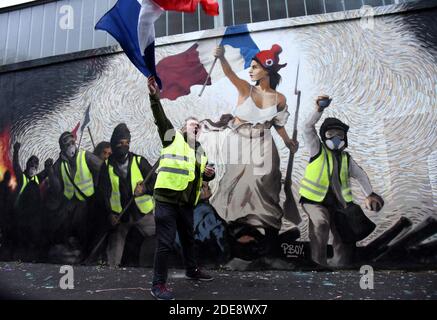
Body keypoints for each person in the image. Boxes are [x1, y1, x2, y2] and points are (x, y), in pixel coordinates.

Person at [199, 44, 298, 258]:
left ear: (267, 70)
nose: (251, 70)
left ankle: (265, 228)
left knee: (263, 182)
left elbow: (278, 123)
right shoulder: (246, 88)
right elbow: (229, 73)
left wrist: (288, 141)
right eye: (251, 66)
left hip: (263, 140)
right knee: (237, 183)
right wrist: (222, 57)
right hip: (239, 141)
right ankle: (235, 230)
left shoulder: (280, 98)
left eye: (255, 67)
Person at [147, 76, 216, 300]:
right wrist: (154, 96)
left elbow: (200, 177)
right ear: (182, 128)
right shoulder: (171, 137)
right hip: (167, 200)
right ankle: (158, 285)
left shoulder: (200, 152)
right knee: (165, 243)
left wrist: (209, 174)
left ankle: (192, 270)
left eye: (199, 126)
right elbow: (160, 117)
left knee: (188, 239)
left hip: (186, 204)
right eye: (192, 124)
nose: (196, 127)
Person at [299, 95, 384, 267]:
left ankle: (339, 262)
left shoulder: (346, 158)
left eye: (340, 135)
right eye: (331, 134)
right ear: (324, 136)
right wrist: (318, 109)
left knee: (344, 235)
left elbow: (360, 175)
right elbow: (307, 127)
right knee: (321, 224)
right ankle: (318, 263)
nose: (336, 138)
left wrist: (369, 194)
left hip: (339, 204)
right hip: (314, 200)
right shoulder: (317, 150)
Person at [98, 123, 156, 267]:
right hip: (120, 218)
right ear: (113, 144)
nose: (124, 146)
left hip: (142, 214)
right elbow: (103, 194)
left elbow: (156, 184)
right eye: (120, 143)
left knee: (163, 237)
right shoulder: (106, 167)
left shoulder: (139, 162)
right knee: (113, 259)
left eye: (127, 143)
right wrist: (109, 214)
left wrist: (145, 190)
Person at [46, 131, 102, 260]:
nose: (71, 145)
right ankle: (69, 247)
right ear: (62, 147)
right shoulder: (59, 163)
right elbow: (56, 187)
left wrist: (97, 184)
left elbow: (102, 168)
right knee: (63, 221)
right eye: (67, 144)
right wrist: (49, 170)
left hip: (88, 198)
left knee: (85, 224)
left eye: (72, 142)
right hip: (71, 200)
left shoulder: (85, 156)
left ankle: (87, 252)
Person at [12, 142, 52, 260]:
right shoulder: (22, 177)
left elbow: (47, 171)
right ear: (27, 164)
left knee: (33, 237)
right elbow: (15, 165)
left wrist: (48, 165)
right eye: (32, 163)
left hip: (34, 215)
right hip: (21, 213)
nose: (33, 166)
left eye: (36, 164)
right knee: (20, 237)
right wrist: (16, 151)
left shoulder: (37, 178)